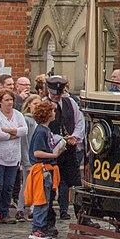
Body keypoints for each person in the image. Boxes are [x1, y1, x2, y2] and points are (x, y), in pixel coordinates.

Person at [44, 76, 84, 220]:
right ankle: (49, 216)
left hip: (69, 149)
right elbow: (43, 129)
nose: (57, 96)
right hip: (52, 151)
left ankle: (80, 215)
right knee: (52, 183)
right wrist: (60, 140)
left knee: (74, 182)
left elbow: (79, 120)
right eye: (54, 93)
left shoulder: (69, 102)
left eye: (59, 93)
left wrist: (75, 136)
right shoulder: (44, 104)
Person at [0, 89, 27, 224]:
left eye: (11, 100)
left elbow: (24, 130)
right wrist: (15, 134)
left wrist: (9, 131)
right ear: (0, 102)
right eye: (7, 100)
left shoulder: (18, 115)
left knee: (9, 186)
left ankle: (4, 212)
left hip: (14, 156)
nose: (10, 103)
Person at [24, 99, 61, 239]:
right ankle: (37, 229)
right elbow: (37, 152)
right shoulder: (41, 131)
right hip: (42, 170)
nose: (54, 113)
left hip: (47, 170)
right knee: (42, 201)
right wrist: (54, 154)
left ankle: (43, 226)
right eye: (52, 111)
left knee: (47, 200)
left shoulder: (46, 130)